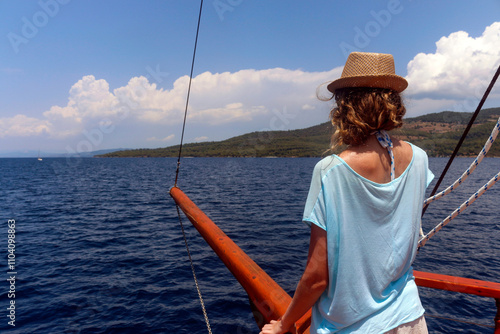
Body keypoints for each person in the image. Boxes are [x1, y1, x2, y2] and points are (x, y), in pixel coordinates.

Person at [260, 52, 434, 334]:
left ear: (346, 105)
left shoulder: (331, 171)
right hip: (411, 319)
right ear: (393, 103)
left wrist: (284, 324)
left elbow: (317, 278)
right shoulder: (421, 158)